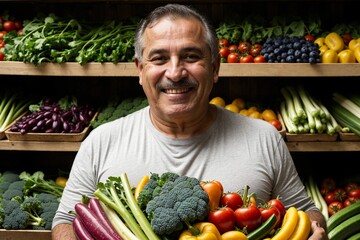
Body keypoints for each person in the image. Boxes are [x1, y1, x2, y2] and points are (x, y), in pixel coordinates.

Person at [52, 3, 328, 240]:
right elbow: (64, 220)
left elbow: (305, 211)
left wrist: (317, 229)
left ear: (215, 68)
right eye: (159, 58)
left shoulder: (263, 136)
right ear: (140, 70)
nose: (175, 72)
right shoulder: (102, 140)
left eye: (191, 56)